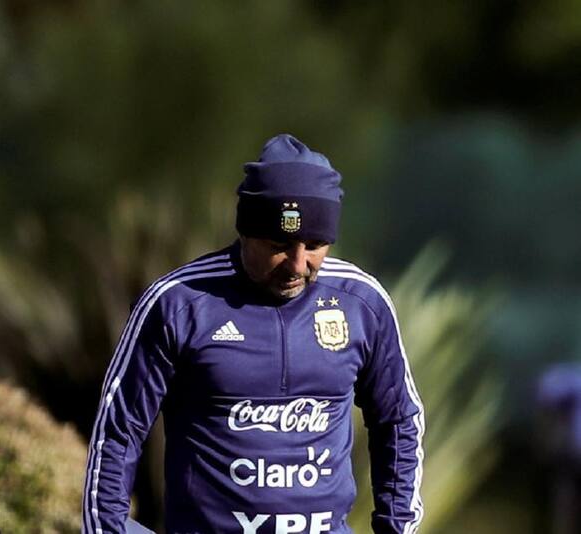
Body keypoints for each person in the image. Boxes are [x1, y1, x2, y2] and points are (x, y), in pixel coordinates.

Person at [82, 134, 424, 533]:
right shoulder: (179, 303)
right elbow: (118, 432)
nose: (298, 264)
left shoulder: (362, 304)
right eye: (280, 244)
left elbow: (399, 422)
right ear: (245, 230)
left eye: (315, 244)